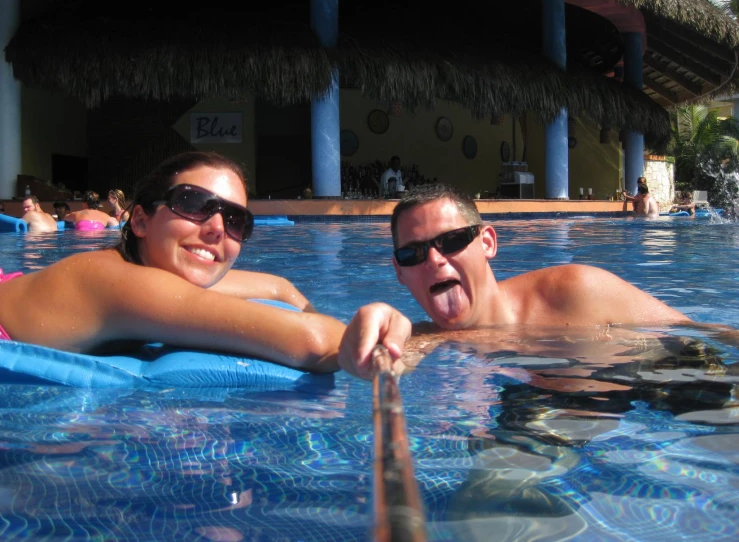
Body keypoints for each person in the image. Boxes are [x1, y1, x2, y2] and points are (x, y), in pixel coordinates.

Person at [0, 151, 350, 373]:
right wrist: (397, 339)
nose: (216, 228)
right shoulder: (119, 284)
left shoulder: (145, 269)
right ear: (139, 221)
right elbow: (314, 342)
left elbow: (278, 287)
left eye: (236, 221)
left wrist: (305, 305)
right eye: (194, 204)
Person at [339, 183, 691, 379]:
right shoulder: (422, 339)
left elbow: (698, 335)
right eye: (412, 254)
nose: (433, 259)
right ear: (399, 272)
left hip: (669, 371)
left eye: (451, 241)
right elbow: (357, 356)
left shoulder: (576, 290)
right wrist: (363, 341)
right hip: (553, 412)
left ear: (487, 242)